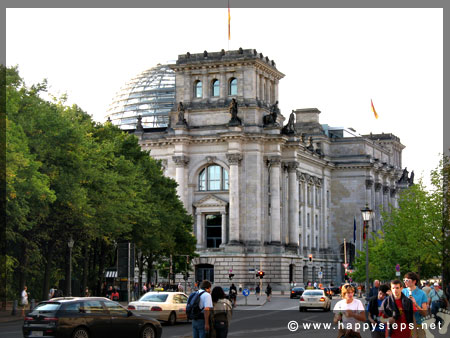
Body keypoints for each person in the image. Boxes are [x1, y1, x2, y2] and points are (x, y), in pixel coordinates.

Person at [402, 272, 428, 338]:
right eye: (404, 280)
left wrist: (416, 305)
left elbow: (425, 313)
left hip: (419, 324)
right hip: (405, 325)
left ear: (414, 281)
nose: (405, 282)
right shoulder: (402, 292)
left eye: (407, 280)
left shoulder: (422, 293)